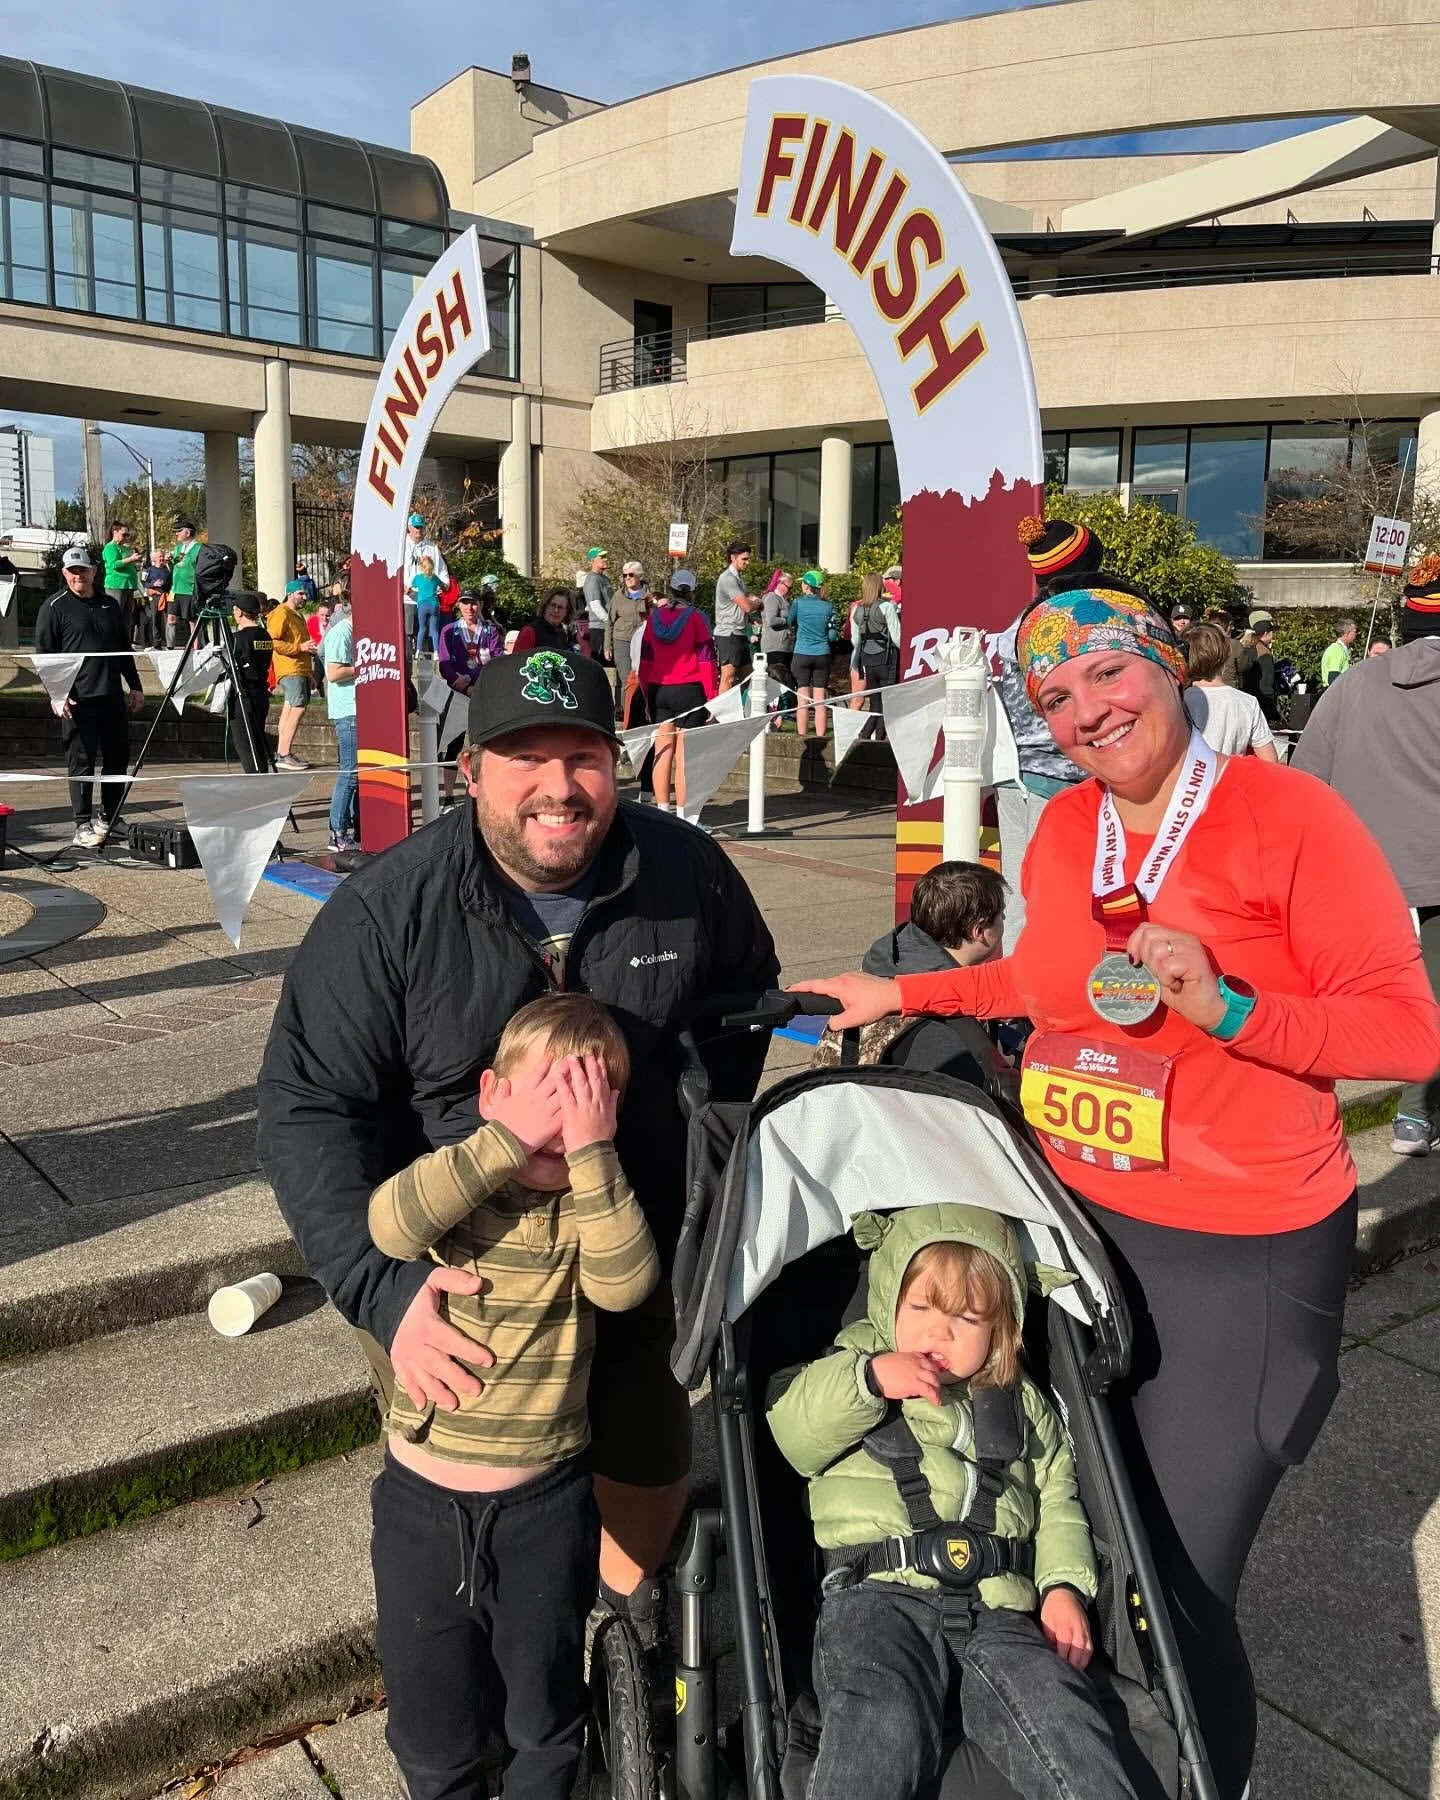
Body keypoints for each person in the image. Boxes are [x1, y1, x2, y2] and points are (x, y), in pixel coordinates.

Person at [794, 582, 1440, 1799]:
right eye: (1054, 696)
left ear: (1166, 666)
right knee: (1078, 1557)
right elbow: (1044, 985)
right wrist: (905, 994)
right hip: (1079, 1238)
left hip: (1235, 1259)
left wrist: (1230, 1009)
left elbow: (1410, 1031)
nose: (1086, 710)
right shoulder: (1067, 827)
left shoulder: (1288, 814)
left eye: (1107, 673)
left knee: (1174, 1596)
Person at [257, 649, 779, 1688]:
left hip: (626, 1240)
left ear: (615, 762)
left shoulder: (689, 873)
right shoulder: (388, 910)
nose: (558, 786)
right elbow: (308, 1108)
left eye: (581, 756)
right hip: (458, 1275)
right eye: (524, 757)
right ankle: (494, 1663)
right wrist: (384, 1292)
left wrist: (687, 1162)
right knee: (479, 1504)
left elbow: (744, 1006)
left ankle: (623, 1626)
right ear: (469, 771)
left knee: (649, 1451)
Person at [366, 994, 658, 1800]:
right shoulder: (459, 1186)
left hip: (543, 1511)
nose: (559, 1126)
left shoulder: (589, 1208)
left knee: (545, 1718)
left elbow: (626, 1283)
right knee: (431, 1731)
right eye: (544, 1099)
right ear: (492, 1093)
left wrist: (594, 1155)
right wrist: (504, 1140)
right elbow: (389, 1226)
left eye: (584, 1104)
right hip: (421, 1511)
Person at [767, 1204, 1136, 1800]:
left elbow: (1057, 1495)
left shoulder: (1021, 1402)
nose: (939, 1332)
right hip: (880, 1593)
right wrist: (870, 1381)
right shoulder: (850, 1367)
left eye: (966, 1317)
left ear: (1001, 1329)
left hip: (998, 1607)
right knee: (882, 1714)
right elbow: (794, 1433)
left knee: (1059, 1712)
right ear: (889, 1301)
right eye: (921, 1309)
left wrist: (1064, 1585)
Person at [1294, 556, 1440, 1157]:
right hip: (1432, 865)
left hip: (1360, 864)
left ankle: (1311, 1109)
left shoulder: (1354, 682)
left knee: (1352, 989)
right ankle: (1416, 1115)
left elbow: (1305, 777)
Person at [812, 860, 1007, 1087]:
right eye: (1001, 915)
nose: (1003, 920)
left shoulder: (879, 968)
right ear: (979, 930)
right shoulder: (948, 1029)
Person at [996, 516, 1095, 953]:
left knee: (1017, 893)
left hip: (1013, 770)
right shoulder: (1081, 622)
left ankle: (1014, 982)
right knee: (1059, 894)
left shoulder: (1016, 626)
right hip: (1064, 775)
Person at [35, 545, 145, 848]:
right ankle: (81, 823)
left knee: (117, 759)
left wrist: (135, 685)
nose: (78, 576)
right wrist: (57, 693)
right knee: (81, 762)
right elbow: (44, 656)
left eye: (82, 570)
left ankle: (110, 817)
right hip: (77, 700)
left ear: (94, 572)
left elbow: (123, 649)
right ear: (64, 573)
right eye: (72, 572)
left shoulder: (110, 604)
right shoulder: (53, 607)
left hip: (111, 696)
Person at [638, 567, 717, 814]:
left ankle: (662, 810)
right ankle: (684, 816)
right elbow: (706, 660)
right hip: (689, 690)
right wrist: (712, 697)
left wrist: (647, 696)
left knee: (662, 751)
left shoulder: (653, 618)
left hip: (658, 689)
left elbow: (645, 661)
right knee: (685, 757)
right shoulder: (697, 618)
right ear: (692, 591)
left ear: (671, 590)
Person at [438, 587, 503, 805]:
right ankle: (448, 797)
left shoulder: (490, 631)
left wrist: (473, 679)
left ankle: (479, 795)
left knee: (481, 744)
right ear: (459, 605)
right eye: (465, 603)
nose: (469, 607)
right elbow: (445, 664)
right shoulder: (449, 630)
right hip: (457, 693)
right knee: (453, 745)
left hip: (481, 692)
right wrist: (462, 685)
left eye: (473, 603)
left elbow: (496, 660)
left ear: (480, 605)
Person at [1182, 621, 1279, 761]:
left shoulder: (1177, 701)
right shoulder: (1247, 702)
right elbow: (1270, 761)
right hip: (1230, 772)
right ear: (1226, 654)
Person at [321, 594, 358, 852]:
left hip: (360, 710)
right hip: (348, 712)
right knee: (350, 773)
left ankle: (352, 828)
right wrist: (364, 666)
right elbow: (333, 672)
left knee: (359, 774)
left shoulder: (356, 633)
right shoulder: (341, 632)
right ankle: (337, 831)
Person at [265, 587, 314, 772]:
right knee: (297, 707)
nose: (305, 597)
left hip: (299, 668)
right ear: (290, 593)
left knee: (289, 708)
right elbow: (273, 641)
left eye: (305, 593)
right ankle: (284, 754)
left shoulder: (296, 615)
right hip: (290, 668)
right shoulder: (281, 613)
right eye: (301, 593)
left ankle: (281, 752)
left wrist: (309, 673)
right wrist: (299, 648)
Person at [848, 570, 902, 735]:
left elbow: (855, 641)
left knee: (875, 703)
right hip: (886, 659)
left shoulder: (856, 610)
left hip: (867, 660)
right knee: (887, 703)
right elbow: (897, 638)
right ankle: (876, 737)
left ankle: (867, 735)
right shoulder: (886, 607)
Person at [787, 570, 838, 740]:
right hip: (822, 654)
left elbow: (789, 621)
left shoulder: (798, 603)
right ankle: (820, 737)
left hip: (801, 652)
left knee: (802, 697)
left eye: (803, 583)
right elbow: (832, 635)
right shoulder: (829, 606)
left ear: (807, 586)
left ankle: (802, 737)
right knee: (819, 699)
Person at [228, 592, 273, 773]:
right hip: (260, 692)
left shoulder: (238, 638)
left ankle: (256, 782)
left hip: (243, 693)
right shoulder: (265, 635)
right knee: (257, 741)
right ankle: (262, 778)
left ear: (239, 612)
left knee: (246, 745)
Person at [713, 540, 756, 693]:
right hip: (728, 634)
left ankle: (744, 707)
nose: (747, 562)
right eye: (744, 559)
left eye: (748, 559)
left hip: (740, 633)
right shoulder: (728, 578)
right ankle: (721, 709)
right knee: (728, 677)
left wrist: (752, 617)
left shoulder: (738, 578)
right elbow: (747, 606)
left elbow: (741, 606)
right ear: (733, 557)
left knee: (748, 677)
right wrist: (757, 602)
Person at [605, 561, 650, 699]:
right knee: (627, 680)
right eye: (624, 575)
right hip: (622, 641)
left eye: (631, 575)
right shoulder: (617, 596)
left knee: (643, 679)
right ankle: (627, 711)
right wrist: (607, 646)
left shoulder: (649, 596)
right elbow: (609, 622)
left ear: (639, 576)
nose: (627, 578)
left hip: (643, 642)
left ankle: (642, 710)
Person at [759, 569, 796, 723]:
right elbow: (771, 620)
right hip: (774, 646)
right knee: (776, 679)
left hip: (784, 645)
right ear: (780, 584)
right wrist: (788, 620)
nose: (789, 591)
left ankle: (784, 710)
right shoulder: (772, 598)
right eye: (788, 587)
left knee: (784, 679)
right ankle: (775, 710)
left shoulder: (783, 600)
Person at [100, 521, 141, 646]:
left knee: (127, 618)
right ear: (115, 532)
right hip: (116, 585)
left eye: (128, 535)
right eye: (124, 534)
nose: (126, 537)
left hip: (128, 586)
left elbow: (128, 563)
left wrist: (135, 559)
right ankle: (113, 644)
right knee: (115, 616)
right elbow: (114, 564)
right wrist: (131, 559)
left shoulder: (125, 548)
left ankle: (125, 643)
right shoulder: (110, 547)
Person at [1235, 611, 1279, 725]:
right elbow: (1266, 686)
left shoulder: (1245, 648)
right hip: (1261, 706)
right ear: (1266, 633)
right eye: (1272, 632)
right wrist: (1272, 712)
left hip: (1245, 702)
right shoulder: (1264, 653)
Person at [513, 588, 583, 658]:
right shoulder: (530, 631)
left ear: (567, 612)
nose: (556, 610)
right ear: (545, 606)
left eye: (560, 607)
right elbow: (516, 661)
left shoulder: (562, 633)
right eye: (553, 605)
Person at [167, 518, 202, 649]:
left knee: (192, 620)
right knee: (171, 618)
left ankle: (196, 648)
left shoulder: (199, 548)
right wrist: (169, 561)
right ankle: (170, 647)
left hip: (189, 590)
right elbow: (175, 565)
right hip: (175, 590)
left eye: (179, 531)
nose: (176, 534)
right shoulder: (178, 548)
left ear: (188, 533)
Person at [409, 553, 443, 659]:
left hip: (422, 605)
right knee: (434, 630)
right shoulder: (435, 578)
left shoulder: (418, 578)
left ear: (421, 567)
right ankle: (436, 653)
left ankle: (418, 651)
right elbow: (444, 586)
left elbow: (410, 587)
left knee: (422, 629)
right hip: (434, 605)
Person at [582, 548, 612, 664]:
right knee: (601, 664)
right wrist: (609, 621)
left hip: (607, 628)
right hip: (599, 629)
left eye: (606, 556)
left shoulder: (605, 579)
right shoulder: (592, 579)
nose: (606, 559)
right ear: (593, 560)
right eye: (602, 557)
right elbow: (595, 606)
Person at [140, 549, 170, 650]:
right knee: (155, 620)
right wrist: (153, 584)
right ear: (154, 559)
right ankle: (157, 643)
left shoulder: (167, 570)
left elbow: (170, 583)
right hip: (154, 597)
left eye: (162, 556)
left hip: (165, 597)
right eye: (159, 557)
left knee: (166, 620)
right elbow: (143, 583)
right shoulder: (149, 570)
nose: (162, 558)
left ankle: (167, 643)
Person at [1319, 617, 1356, 687]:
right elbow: (1333, 677)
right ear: (1346, 633)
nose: (1356, 634)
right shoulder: (1336, 650)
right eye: (1354, 632)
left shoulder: (1342, 649)